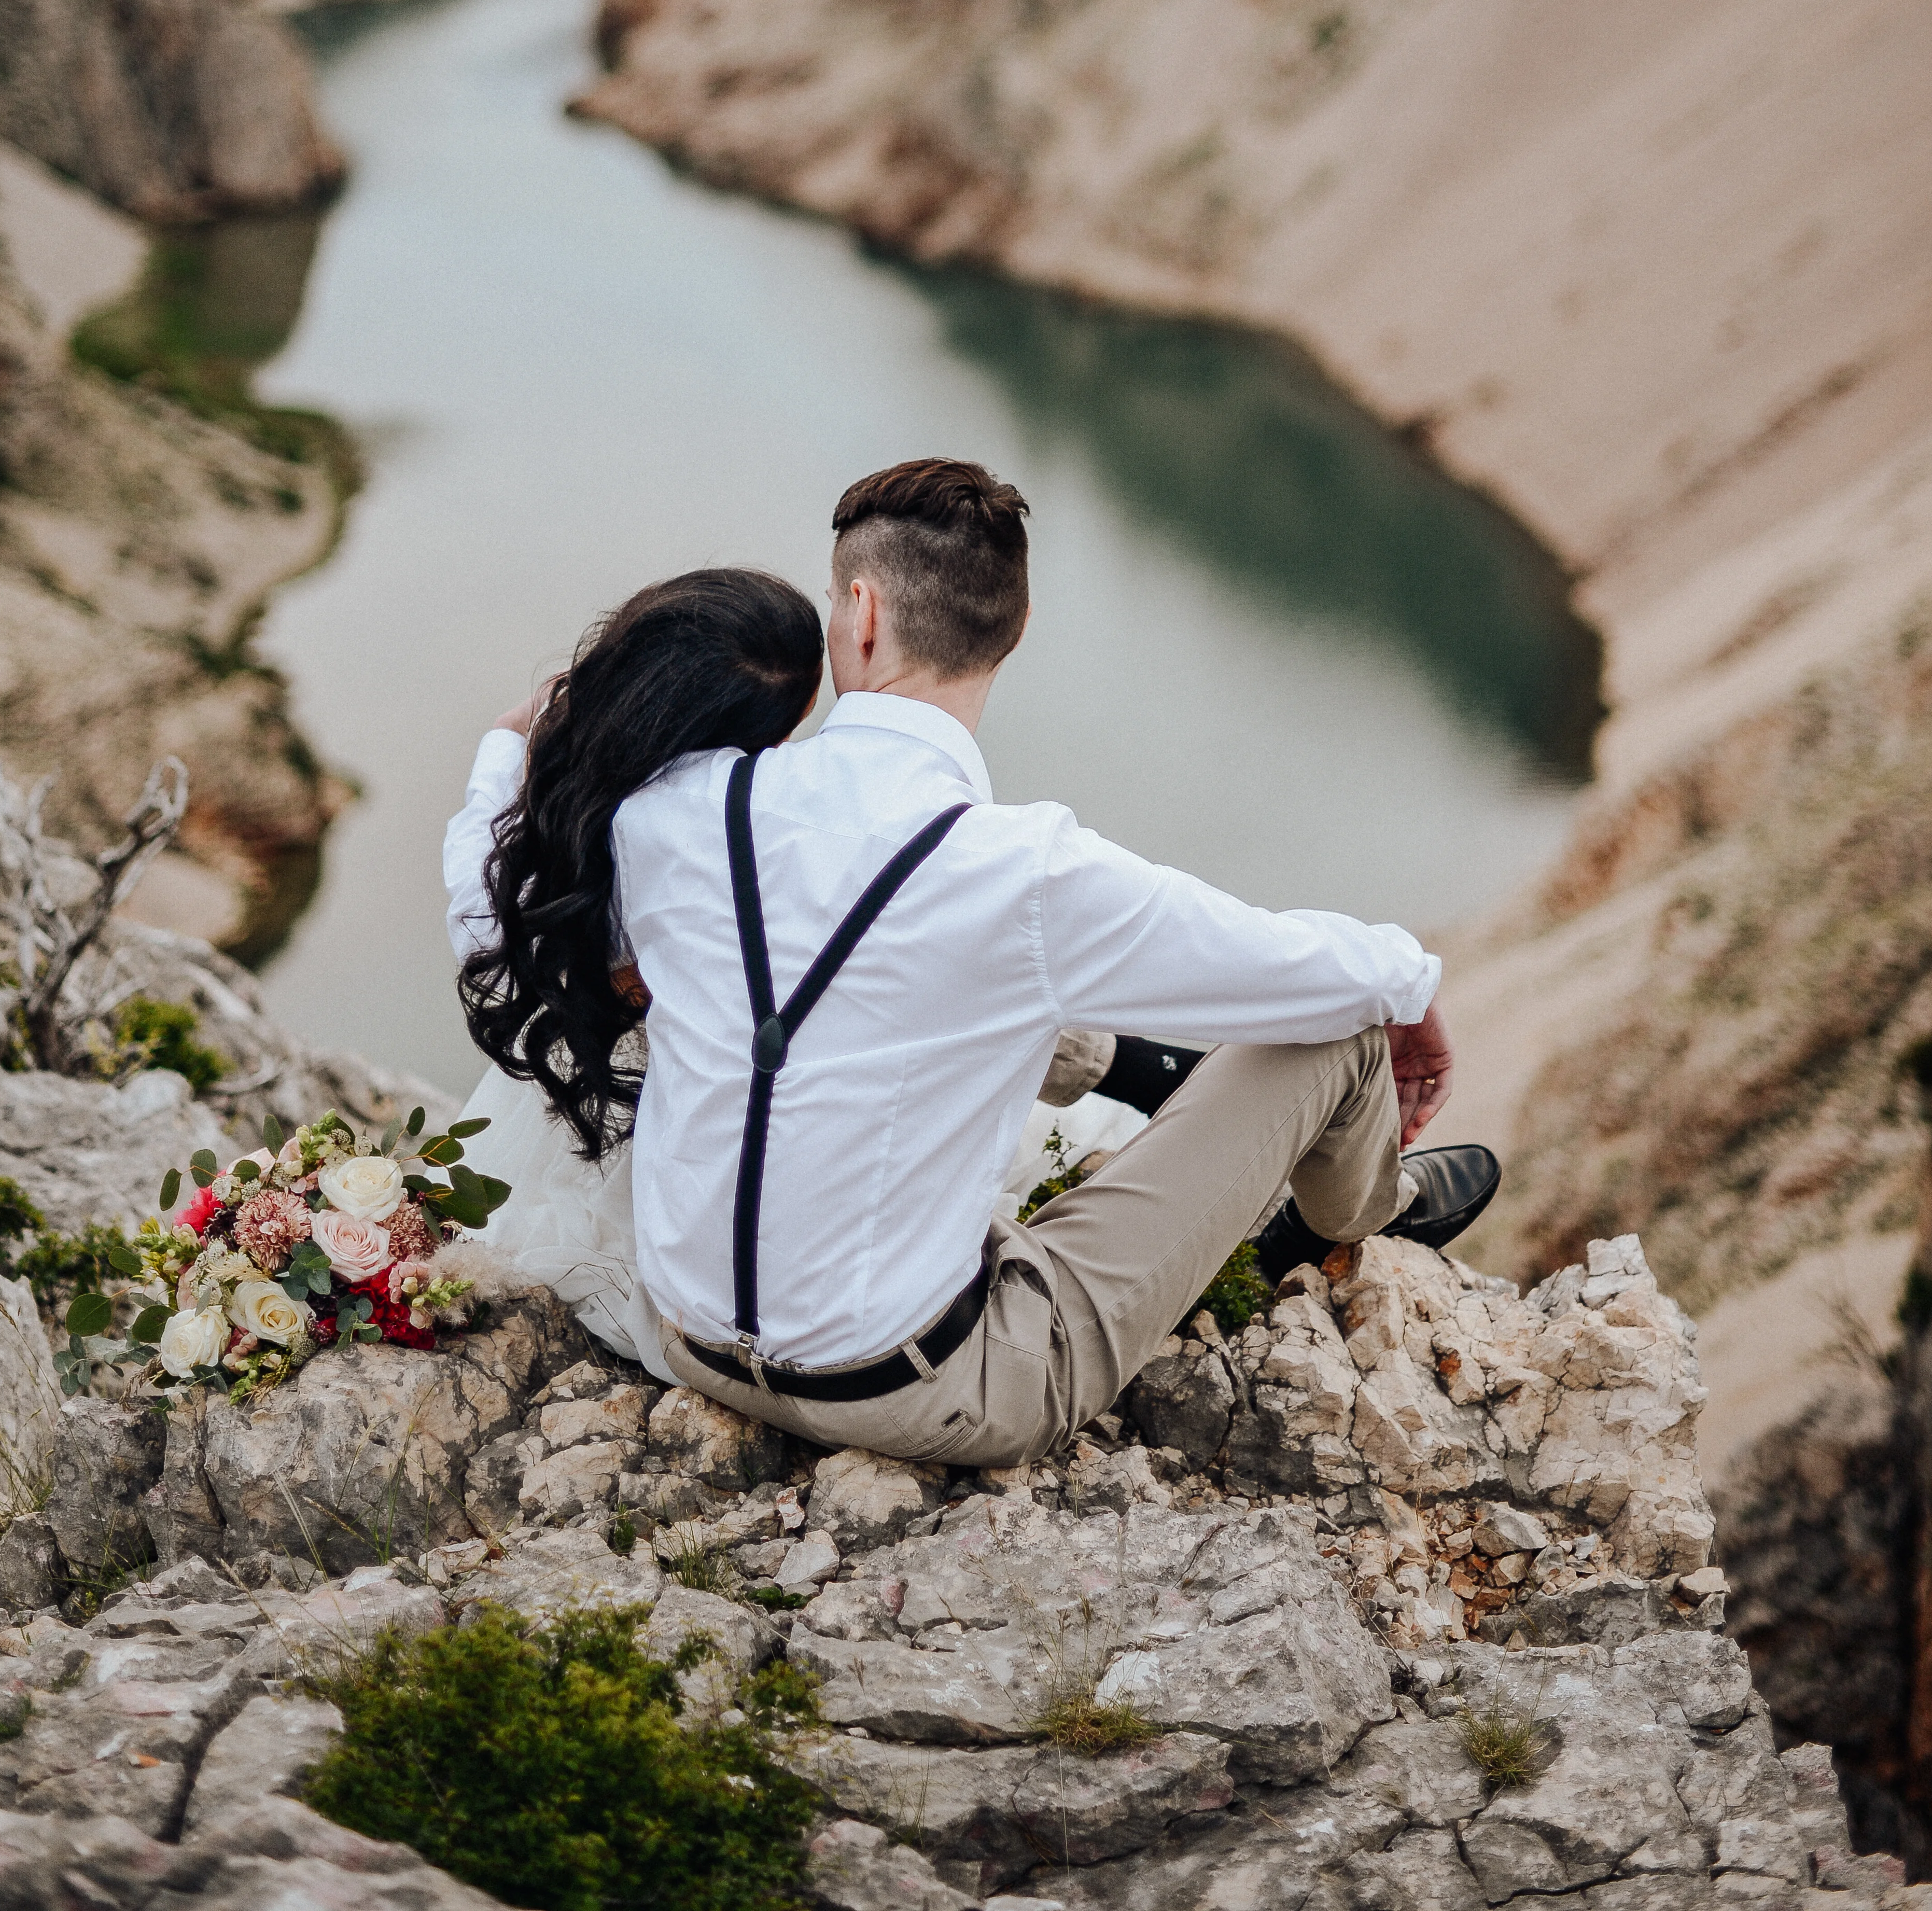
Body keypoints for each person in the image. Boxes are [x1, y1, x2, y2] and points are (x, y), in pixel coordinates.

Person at [452, 459, 1497, 1463]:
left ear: (859, 612)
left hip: (687, 1340)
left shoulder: (679, 812)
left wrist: (507, 755)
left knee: (931, 974)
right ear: (1019, 628)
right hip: (928, 1395)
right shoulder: (1028, 870)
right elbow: (1301, 968)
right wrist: (1410, 982)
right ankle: (1358, 1215)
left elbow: (496, 906)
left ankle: (1152, 1087)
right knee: (1347, 1032)